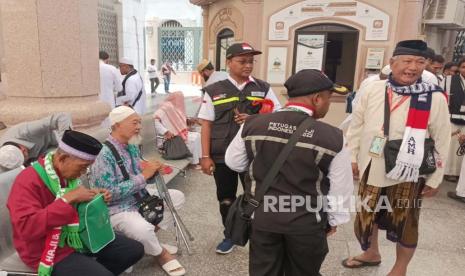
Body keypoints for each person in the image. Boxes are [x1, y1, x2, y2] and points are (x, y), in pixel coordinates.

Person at [225, 69, 353, 276]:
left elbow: (234, 163)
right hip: (307, 223)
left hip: (263, 219)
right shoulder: (333, 138)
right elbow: (340, 190)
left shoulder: (253, 123)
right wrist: (334, 220)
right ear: (317, 98)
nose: (328, 104)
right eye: (329, 98)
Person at [344, 40, 451, 276]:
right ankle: (371, 253)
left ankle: (400, 268)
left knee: (406, 222)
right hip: (372, 165)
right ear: (392, 63)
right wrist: (352, 156)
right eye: (407, 61)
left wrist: (435, 178)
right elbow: (356, 125)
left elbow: (443, 139)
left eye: (419, 62)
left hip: (409, 171)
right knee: (367, 214)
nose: (412, 67)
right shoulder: (373, 89)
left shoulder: (434, 97)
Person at [7, 130, 144, 275]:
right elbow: (26, 228)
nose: (84, 172)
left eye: (87, 167)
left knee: (133, 250)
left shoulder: (66, 175)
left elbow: (76, 202)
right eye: (83, 166)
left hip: (78, 237)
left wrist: (94, 195)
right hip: (45, 248)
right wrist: (67, 199)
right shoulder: (28, 180)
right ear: (62, 158)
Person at [197, 42, 282, 254]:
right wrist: (205, 156)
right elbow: (206, 124)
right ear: (229, 62)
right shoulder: (213, 90)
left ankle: (257, 235)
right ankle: (230, 235)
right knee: (225, 197)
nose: (248, 65)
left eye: (251, 61)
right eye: (242, 61)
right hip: (221, 155)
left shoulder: (263, 88)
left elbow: (278, 116)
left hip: (254, 154)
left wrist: (255, 118)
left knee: (255, 197)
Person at [89, 106, 186, 276]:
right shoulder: (103, 155)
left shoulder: (132, 145)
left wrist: (153, 170)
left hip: (140, 199)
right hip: (116, 209)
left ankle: (149, 244)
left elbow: (140, 174)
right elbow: (108, 195)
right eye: (134, 122)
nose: (139, 126)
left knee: (177, 197)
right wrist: (143, 176)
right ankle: (161, 255)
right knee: (142, 229)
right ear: (117, 125)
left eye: (139, 122)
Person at [0, 113, 72, 167]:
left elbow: (63, 117)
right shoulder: (3, 156)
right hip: (39, 158)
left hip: (55, 143)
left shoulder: (26, 131)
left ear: (23, 150)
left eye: (24, 158)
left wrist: (65, 146)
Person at [154, 92, 201, 166]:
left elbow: (179, 121)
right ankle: (193, 163)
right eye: (180, 99)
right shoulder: (164, 108)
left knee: (197, 135)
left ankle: (198, 160)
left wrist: (188, 121)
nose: (181, 101)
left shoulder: (174, 108)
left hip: (178, 134)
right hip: (168, 138)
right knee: (193, 139)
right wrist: (166, 132)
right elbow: (156, 123)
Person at [444, 59, 465, 183]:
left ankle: (459, 173)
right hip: (452, 117)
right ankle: (448, 171)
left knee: (462, 147)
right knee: (451, 147)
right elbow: (443, 98)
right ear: (459, 68)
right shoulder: (449, 80)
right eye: (463, 67)